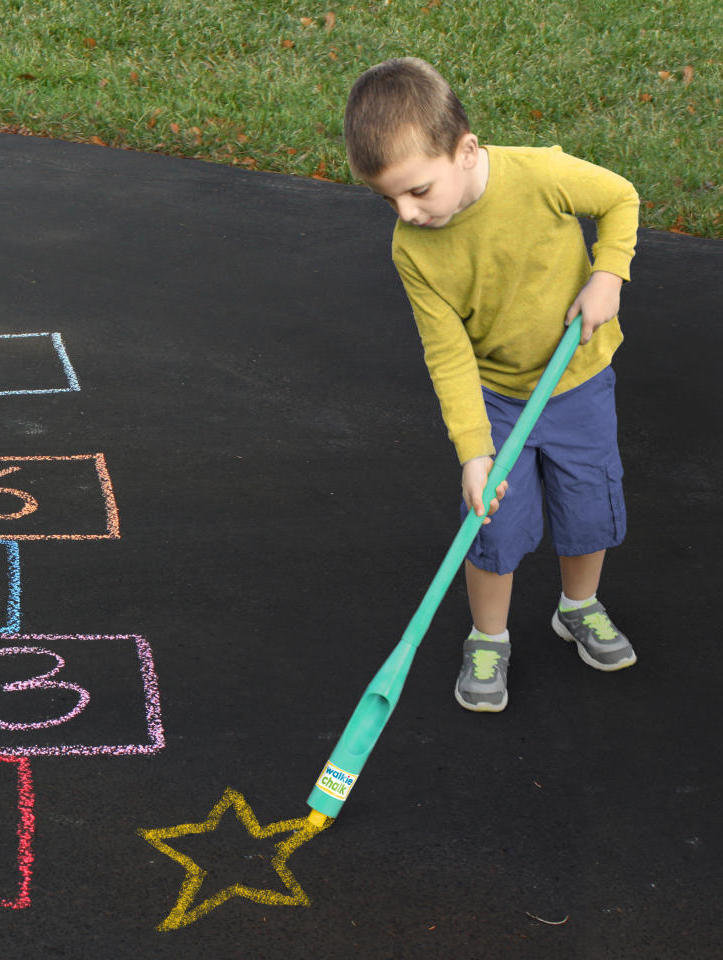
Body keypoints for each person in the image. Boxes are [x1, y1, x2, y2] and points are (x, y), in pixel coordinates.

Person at [343, 57, 640, 712]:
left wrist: (607, 276)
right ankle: (489, 637)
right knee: (493, 524)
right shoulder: (412, 248)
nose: (405, 212)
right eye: (387, 198)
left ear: (465, 150)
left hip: (578, 379)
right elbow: (447, 356)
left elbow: (619, 198)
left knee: (588, 508)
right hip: (499, 397)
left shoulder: (540, 176)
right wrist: (474, 452)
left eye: (418, 190)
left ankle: (578, 607)